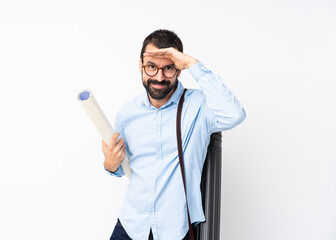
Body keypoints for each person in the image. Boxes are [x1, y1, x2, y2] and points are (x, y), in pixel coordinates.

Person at [102, 29, 246, 240]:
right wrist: (110, 165)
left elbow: (235, 114)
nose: (159, 77)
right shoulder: (126, 113)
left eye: (168, 68)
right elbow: (125, 168)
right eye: (151, 67)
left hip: (175, 230)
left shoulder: (199, 105)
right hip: (131, 226)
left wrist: (191, 64)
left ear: (179, 70)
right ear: (140, 65)